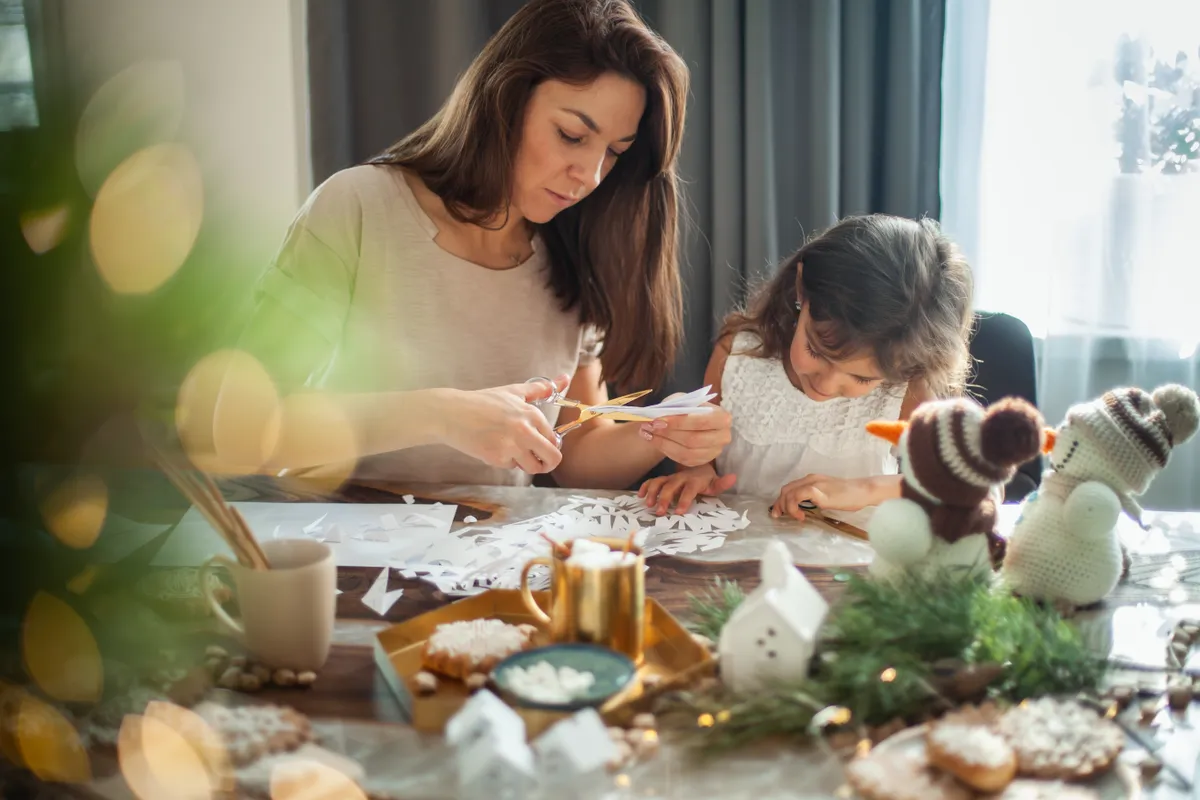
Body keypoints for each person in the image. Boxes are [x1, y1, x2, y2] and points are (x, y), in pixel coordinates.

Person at [210, 0, 732, 488]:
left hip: (496, 569)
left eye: (613, 152)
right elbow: (240, 428)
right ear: (505, 100)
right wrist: (443, 415)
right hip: (350, 563)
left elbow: (574, 456)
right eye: (572, 135)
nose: (590, 175)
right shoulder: (358, 206)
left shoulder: (576, 250)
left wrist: (663, 434)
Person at [639, 215, 975, 520]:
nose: (827, 385)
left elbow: (977, 484)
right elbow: (699, 454)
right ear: (802, 289)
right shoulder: (739, 355)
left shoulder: (906, 392)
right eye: (816, 350)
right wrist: (697, 473)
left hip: (851, 573)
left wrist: (865, 490)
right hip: (739, 567)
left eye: (861, 377)